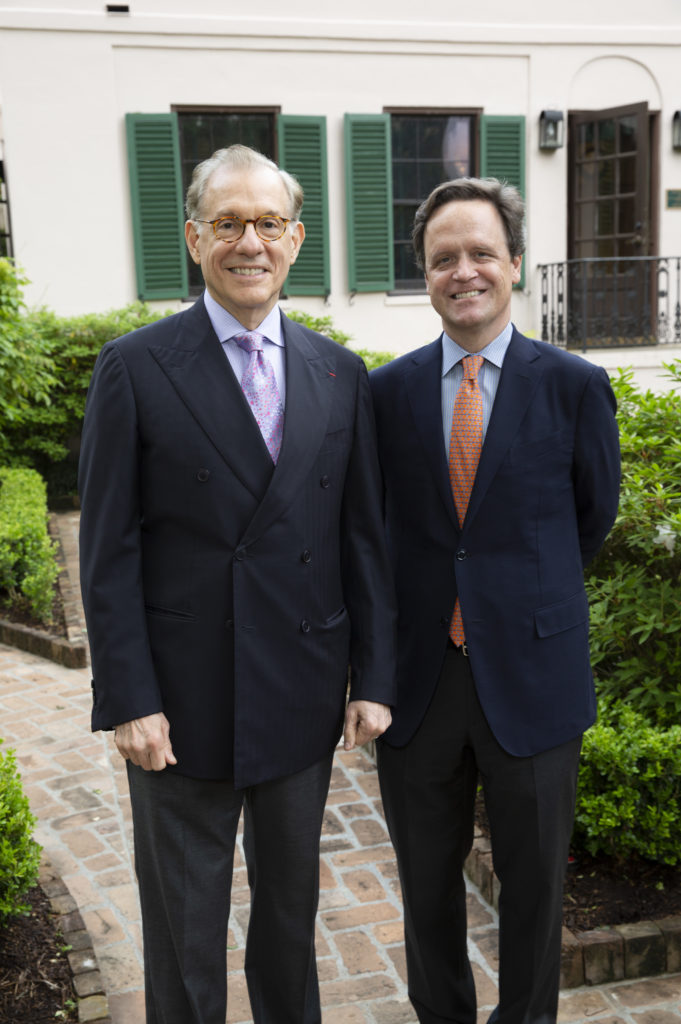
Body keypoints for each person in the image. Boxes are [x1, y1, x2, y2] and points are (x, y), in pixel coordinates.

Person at [78, 144, 396, 1024]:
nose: (246, 242)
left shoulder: (340, 373)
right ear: (193, 238)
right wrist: (129, 698)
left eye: (265, 224)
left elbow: (360, 540)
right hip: (179, 705)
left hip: (299, 691)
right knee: (184, 927)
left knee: (290, 919)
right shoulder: (136, 367)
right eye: (227, 223)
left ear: (295, 241)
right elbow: (107, 552)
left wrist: (372, 679)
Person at [370, 177, 620, 1024]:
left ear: (513, 263)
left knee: (534, 891)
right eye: (444, 258)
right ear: (426, 277)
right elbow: (380, 531)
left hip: (535, 677)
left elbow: (590, 520)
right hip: (420, 682)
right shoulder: (387, 393)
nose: (463, 270)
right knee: (426, 889)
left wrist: (515, 601)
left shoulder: (575, 387)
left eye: (481, 252)